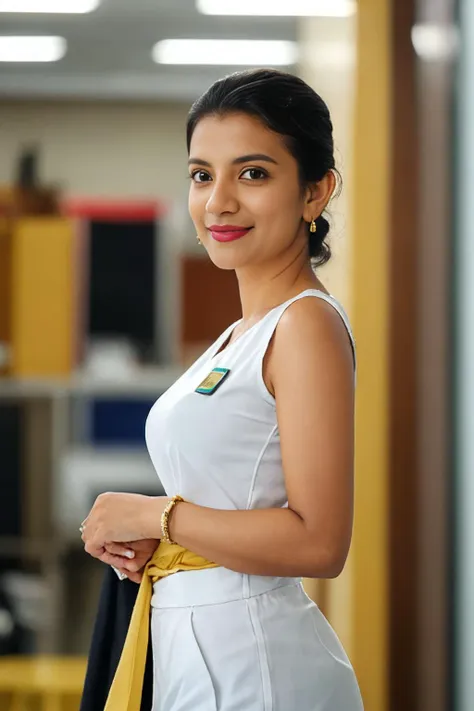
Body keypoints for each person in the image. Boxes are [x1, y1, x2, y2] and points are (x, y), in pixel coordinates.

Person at [80, 68, 364, 711]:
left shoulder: (305, 326)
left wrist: (157, 516)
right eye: (202, 174)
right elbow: (239, 495)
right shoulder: (241, 334)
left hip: (255, 670)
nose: (218, 202)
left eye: (253, 173)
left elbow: (319, 542)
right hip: (199, 650)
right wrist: (164, 535)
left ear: (315, 192)